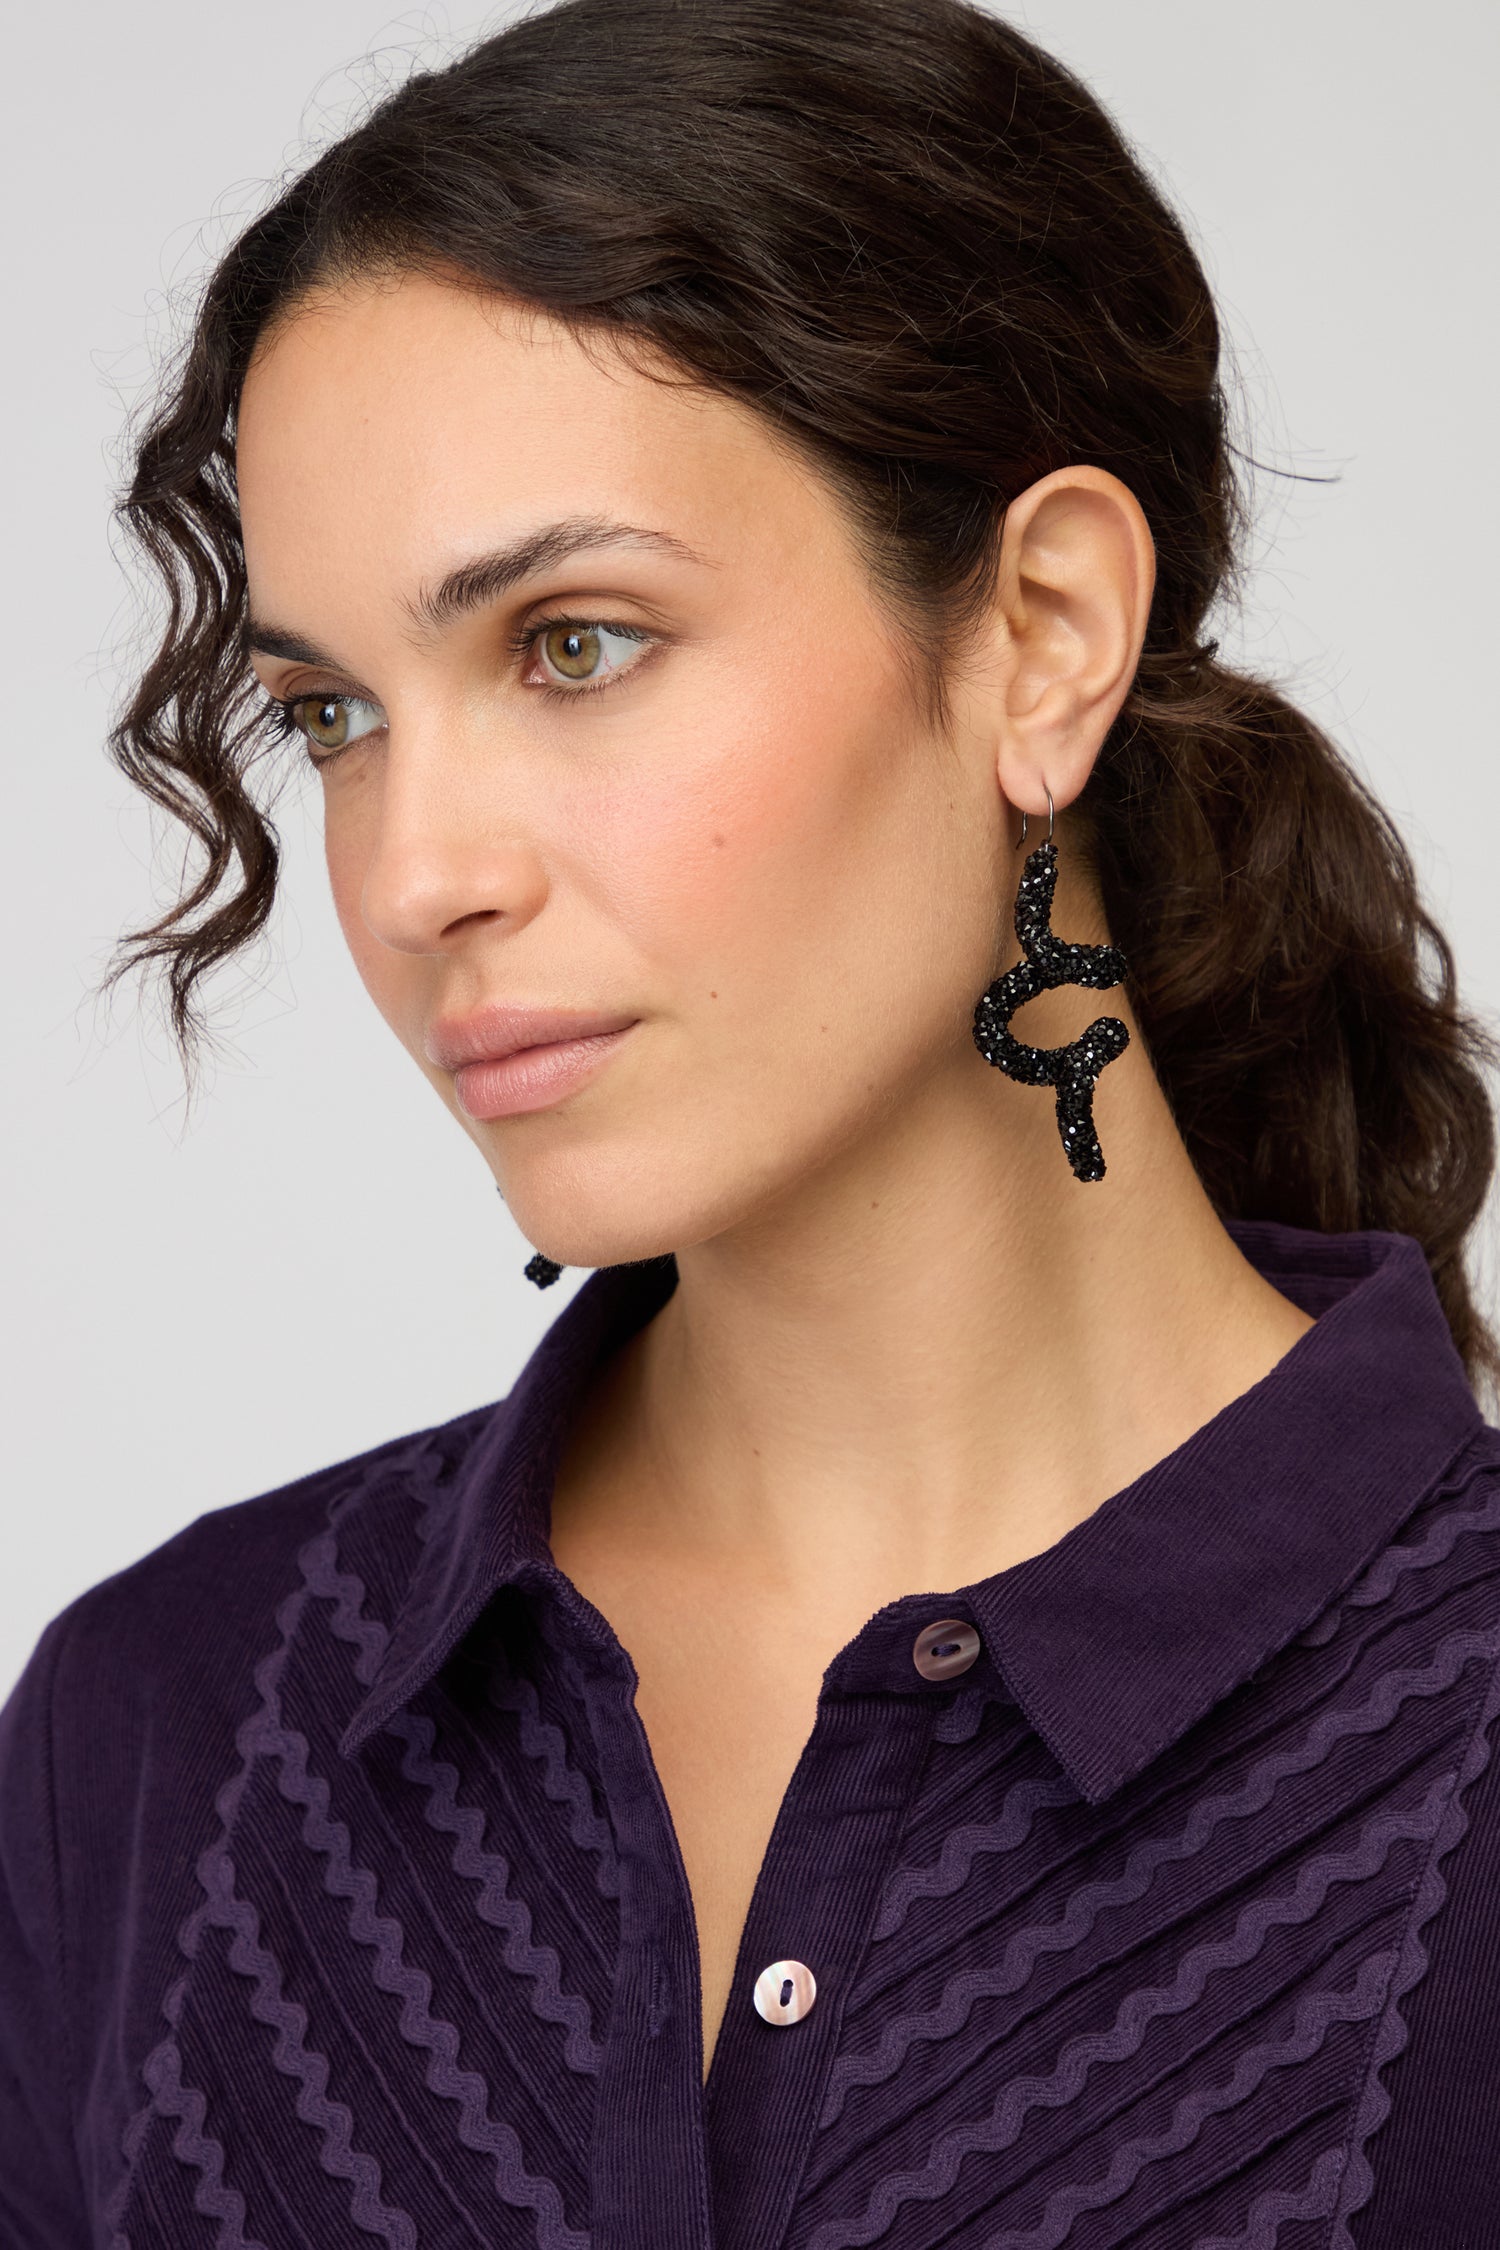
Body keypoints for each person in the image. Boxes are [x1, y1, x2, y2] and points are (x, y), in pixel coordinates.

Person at [3, 0, 1498, 2240]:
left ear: (1042, 633)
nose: (415, 876)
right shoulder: (159, 1734)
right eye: (331, 714)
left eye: (573, 644)